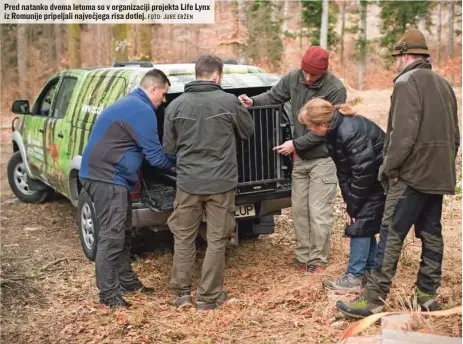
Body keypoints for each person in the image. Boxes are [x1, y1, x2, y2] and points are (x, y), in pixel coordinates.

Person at [336, 28, 460, 318]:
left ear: (405, 56)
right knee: (432, 235)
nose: (395, 63)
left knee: (390, 234)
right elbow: (455, 136)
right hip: (438, 174)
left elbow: (402, 135)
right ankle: (427, 295)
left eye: (396, 57)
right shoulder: (444, 85)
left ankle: (373, 299)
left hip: (410, 175)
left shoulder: (406, 82)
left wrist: (388, 169)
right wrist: (443, 166)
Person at [239, 46, 347, 273]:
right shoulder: (293, 78)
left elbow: (327, 130)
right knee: (299, 211)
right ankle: (303, 257)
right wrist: (253, 102)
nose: (307, 77)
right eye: (305, 72)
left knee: (318, 211)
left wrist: (295, 144)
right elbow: (273, 96)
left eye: (313, 74)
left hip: (323, 159)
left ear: (324, 72)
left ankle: (318, 260)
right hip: (301, 160)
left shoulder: (335, 89)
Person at [163, 55, 254, 310]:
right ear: (216, 76)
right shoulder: (229, 102)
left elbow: (168, 148)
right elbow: (248, 133)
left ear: (197, 74)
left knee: (183, 237)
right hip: (220, 184)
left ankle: (181, 294)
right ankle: (208, 297)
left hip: (187, 184)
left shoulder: (176, 105)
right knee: (217, 240)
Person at [79, 69, 175, 308]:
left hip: (106, 176)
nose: (163, 101)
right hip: (107, 178)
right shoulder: (141, 110)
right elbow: (154, 156)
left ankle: (127, 282)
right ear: (153, 89)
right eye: (163, 95)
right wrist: (180, 166)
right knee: (112, 237)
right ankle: (108, 295)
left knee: (123, 232)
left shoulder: (132, 103)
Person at [298, 99, 386, 290]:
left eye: (310, 127)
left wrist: (353, 207)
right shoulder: (334, 131)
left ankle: (354, 276)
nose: (309, 131)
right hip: (368, 180)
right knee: (365, 223)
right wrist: (350, 201)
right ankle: (369, 272)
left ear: (322, 124)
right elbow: (345, 170)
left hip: (378, 180)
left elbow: (363, 173)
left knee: (360, 224)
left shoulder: (349, 132)